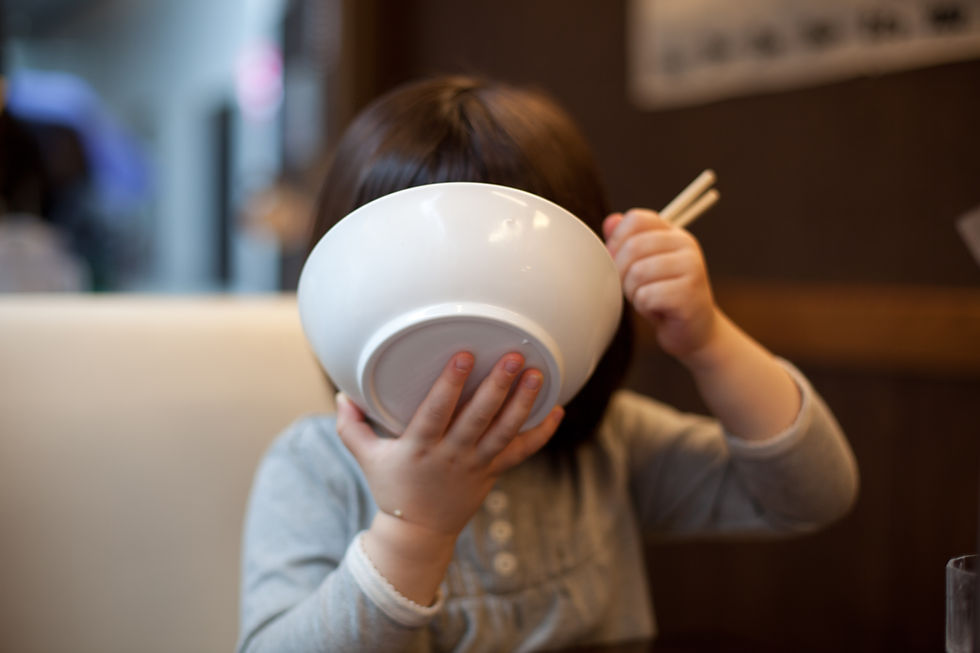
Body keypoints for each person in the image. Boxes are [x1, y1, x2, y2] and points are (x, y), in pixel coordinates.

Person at [236, 75, 858, 652]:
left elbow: (812, 495)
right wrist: (415, 528)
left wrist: (708, 340)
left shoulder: (605, 444)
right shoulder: (315, 468)